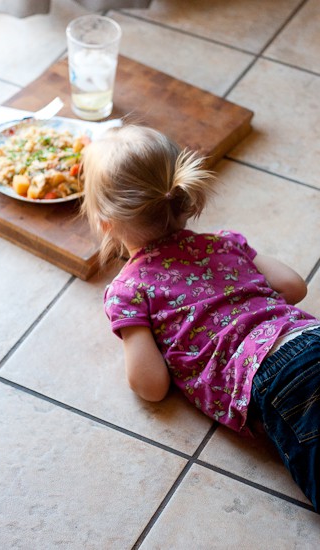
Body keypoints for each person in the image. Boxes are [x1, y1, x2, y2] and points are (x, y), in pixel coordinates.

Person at [81, 124, 320, 512]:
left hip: (273, 374)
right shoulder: (223, 241)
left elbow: (151, 385)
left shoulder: (130, 290)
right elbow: (294, 286)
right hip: (308, 335)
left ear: (105, 222)